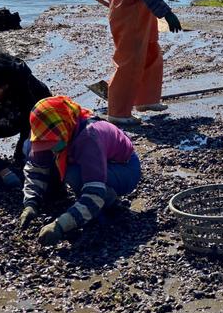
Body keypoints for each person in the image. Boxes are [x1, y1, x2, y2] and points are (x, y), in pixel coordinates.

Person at [19, 96, 141, 246]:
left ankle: (109, 201)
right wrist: (31, 203)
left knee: (73, 174)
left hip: (124, 168)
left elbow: (94, 194)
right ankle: (61, 194)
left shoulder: (89, 137)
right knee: (29, 148)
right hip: (92, 160)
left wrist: (61, 225)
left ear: (63, 127)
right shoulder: (52, 132)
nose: (50, 147)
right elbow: (35, 168)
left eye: (53, 142)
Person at [0, 51, 50, 188]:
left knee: (31, 149)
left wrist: (23, 151)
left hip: (17, 119)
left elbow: (45, 111)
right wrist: (2, 170)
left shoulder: (27, 83)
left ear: (6, 84)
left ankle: (21, 154)